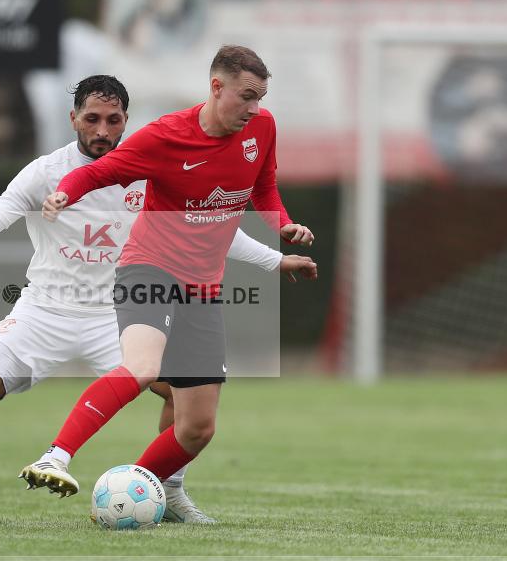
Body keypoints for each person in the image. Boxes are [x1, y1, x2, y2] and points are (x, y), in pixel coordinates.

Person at [0, 74, 314, 524]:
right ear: (73, 118)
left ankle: (168, 491)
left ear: (125, 121)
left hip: (118, 313)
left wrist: (274, 260)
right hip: (44, 309)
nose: (102, 130)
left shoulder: (148, 165)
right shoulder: (45, 173)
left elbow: (213, 226)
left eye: (113, 120)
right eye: (92, 118)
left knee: (184, 395)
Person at [21, 46, 315, 515]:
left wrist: (283, 226)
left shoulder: (262, 128)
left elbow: (263, 188)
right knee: (141, 368)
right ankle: (55, 456)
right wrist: (63, 194)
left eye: (260, 98)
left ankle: (137, 493)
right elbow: (99, 172)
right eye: (246, 96)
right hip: (148, 268)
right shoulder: (165, 136)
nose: (255, 108)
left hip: (204, 287)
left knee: (197, 427)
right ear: (216, 87)